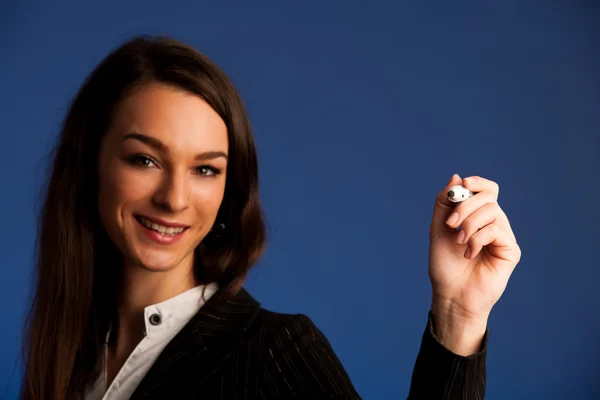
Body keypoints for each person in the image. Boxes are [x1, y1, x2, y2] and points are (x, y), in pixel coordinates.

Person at [19, 35, 521, 400]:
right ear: (90, 163)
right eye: (145, 160)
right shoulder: (68, 353)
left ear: (228, 187)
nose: (174, 198)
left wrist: (459, 315)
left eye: (205, 169)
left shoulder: (271, 353)